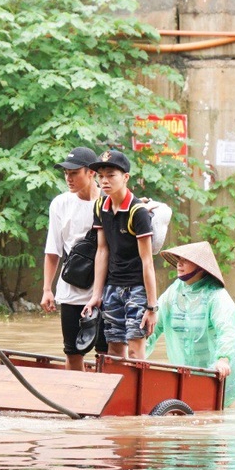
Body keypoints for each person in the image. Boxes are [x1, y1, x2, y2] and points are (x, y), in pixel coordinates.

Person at [145, 241, 235, 406]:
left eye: (185, 260)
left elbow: (227, 331)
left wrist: (223, 359)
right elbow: (154, 326)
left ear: (201, 266)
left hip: (218, 375)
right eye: (178, 259)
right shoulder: (173, 293)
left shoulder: (216, 296)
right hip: (184, 375)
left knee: (220, 421)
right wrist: (136, 352)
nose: (179, 263)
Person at [82, 150, 158, 360]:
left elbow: (147, 261)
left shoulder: (138, 212)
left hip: (137, 288)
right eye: (100, 176)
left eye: (111, 175)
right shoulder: (100, 206)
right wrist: (96, 295)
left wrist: (151, 307)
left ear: (125, 177)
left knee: (135, 349)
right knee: (114, 350)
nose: (104, 181)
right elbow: (102, 250)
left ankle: (138, 393)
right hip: (112, 287)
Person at [41, 146, 108, 370]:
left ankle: (105, 402)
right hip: (71, 289)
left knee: (106, 351)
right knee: (73, 351)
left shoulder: (109, 201)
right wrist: (47, 289)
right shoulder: (60, 203)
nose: (68, 178)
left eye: (74, 173)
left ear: (91, 173)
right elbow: (53, 250)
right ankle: (77, 402)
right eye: (66, 173)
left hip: (105, 290)